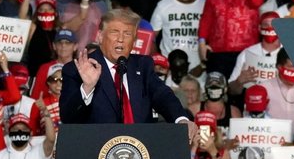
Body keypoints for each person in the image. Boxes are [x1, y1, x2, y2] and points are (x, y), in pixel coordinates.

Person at [60, 8, 196, 131]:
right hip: (97, 151)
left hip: (141, 150)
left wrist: (181, 119)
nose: (120, 39)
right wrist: (87, 88)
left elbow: (163, 96)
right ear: (100, 36)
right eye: (115, 32)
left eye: (127, 34)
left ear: (134, 40)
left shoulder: (143, 65)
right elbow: (68, 118)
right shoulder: (76, 69)